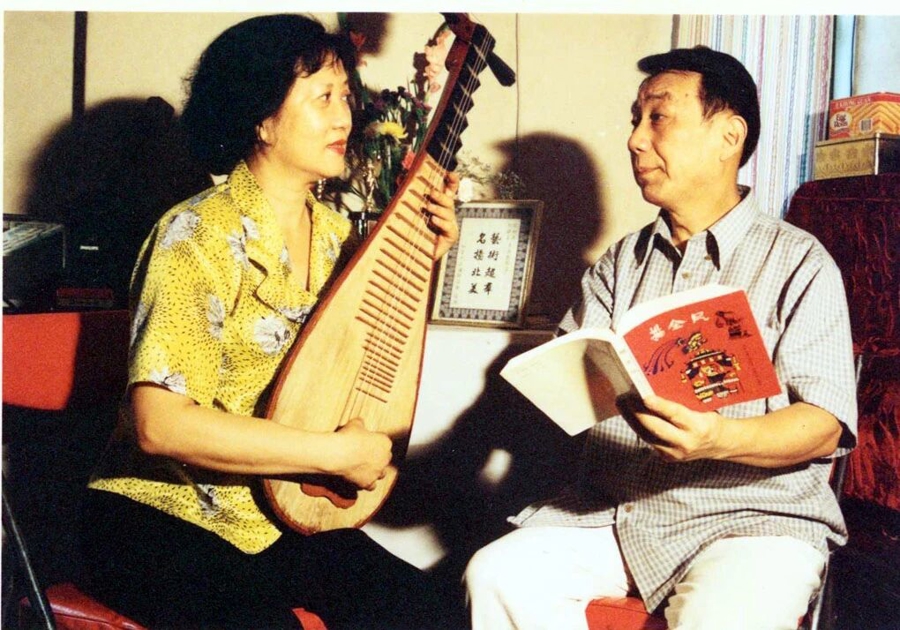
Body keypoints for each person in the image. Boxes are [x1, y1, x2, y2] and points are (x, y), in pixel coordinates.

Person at [79, 14, 460, 630]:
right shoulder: (195, 234)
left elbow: (359, 368)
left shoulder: (340, 237)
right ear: (261, 119)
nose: (345, 118)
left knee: (428, 609)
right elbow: (159, 425)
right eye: (323, 97)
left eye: (346, 97)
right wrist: (333, 454)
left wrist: (426, 259)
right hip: (160, 513)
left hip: (272, 514)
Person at [465, 46, 858, 630]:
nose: (634, 140)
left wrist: (719, 437)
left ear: (729, 137)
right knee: (498, 575)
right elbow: (568, 385)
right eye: (635, 119)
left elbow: (825, 424)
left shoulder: (800, 261)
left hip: (753, 520)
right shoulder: (619, 264)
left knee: (720, 616)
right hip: (616, 512)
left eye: (659, 117)